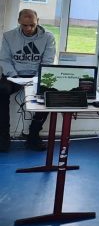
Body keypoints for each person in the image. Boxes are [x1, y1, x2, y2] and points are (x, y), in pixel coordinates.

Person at [0, 9, 56, 152]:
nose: (29, 28)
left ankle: (33, 136)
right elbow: (4, 60)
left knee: (49, 94)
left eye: (32, 25)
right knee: (1, 91)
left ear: (38, 21)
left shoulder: (48, 37)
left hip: (37, 75)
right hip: (14, 75)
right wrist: (15, 77)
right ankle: (3, 138)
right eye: (25, 25)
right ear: (19, 22)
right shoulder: (8, 36)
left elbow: (47, 62)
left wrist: (37, 79)